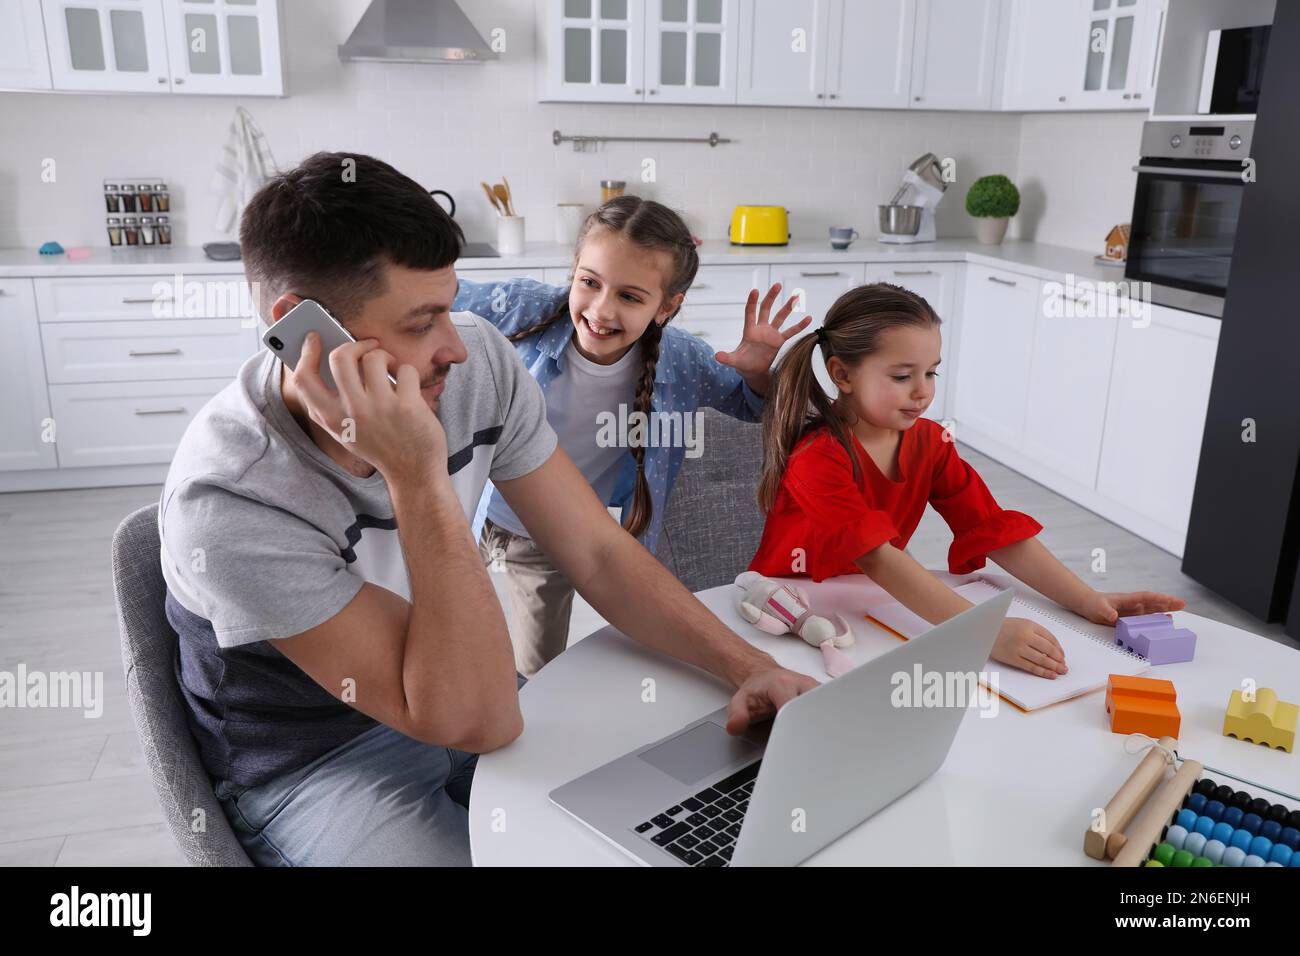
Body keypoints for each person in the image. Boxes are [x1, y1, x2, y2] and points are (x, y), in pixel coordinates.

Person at [158, 152, 817, 866]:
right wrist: (415, 472)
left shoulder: (476, 360)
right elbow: (480, 719)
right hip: (316, 764)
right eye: (422, 322)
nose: (457, 346)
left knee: (672, 805)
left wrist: (747, 666)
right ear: (304, 331)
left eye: (450, 303)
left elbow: (596, 552)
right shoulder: (230, 502)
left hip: (454, 690)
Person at [748, 282, 1185, 678]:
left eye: (931, 372)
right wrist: (986, 632)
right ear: (842, 375)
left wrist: (1086, 600)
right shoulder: (817, 458)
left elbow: (992, 530)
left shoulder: (931, 442)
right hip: (790, 612)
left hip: (872, 607)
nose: (923, 391)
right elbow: (877, 558)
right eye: (902, 376)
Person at [454, 196, 807, 675]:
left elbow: (753, 408)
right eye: (590, 283)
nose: (601, 309)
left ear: (667, 307)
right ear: (574, 270)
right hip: (469, 504)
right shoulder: (523, 308)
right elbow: (433, 299)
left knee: (539, 672)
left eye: (629, 296)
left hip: (553, 535)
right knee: (451, 639)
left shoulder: (683, 360)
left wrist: (759, 375)